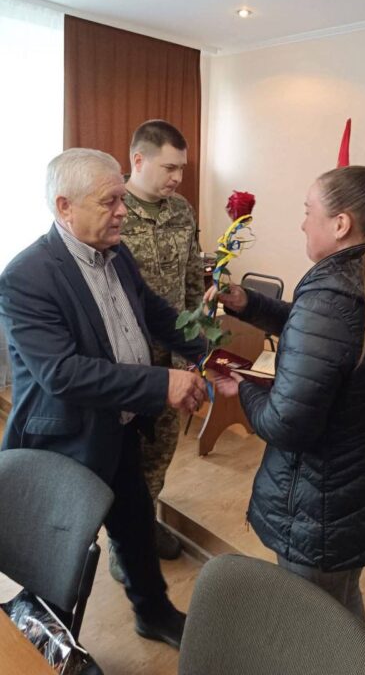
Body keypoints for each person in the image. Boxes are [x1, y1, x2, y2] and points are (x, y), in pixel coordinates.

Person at [0, 148, 208, 650]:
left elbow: (156, 313)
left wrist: (210, 352)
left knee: (134, 525)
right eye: (109, 201)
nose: (122, 211)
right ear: (64, 206)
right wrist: (161, 383)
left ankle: (153, 612)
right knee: (57, 553)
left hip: (119, 425)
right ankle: (47, 644)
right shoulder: (26, 277)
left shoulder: (116, 254)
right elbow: (62, 374)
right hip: (64, 443)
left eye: (121, 198)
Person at [209, 165, 365, 622]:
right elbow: (325, 336)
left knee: (312, 627)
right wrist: (250, 303)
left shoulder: (332, 298)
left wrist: (242, 389)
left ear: (341, 223)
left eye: (309, 211)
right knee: (340, 607)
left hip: (322, 505)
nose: (303, 223)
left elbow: (285, 426)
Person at [111, 119, 204, 569]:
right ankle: (122, 541)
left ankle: (141, 524)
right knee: (122, 451)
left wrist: (194, 352)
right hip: (126, 357)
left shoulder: (182, 210)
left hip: (172, 354)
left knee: (162, 448)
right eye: (170, 167)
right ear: (138, 160)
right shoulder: (111, 209)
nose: (178, 177)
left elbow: (192, 281)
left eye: (182, 168)